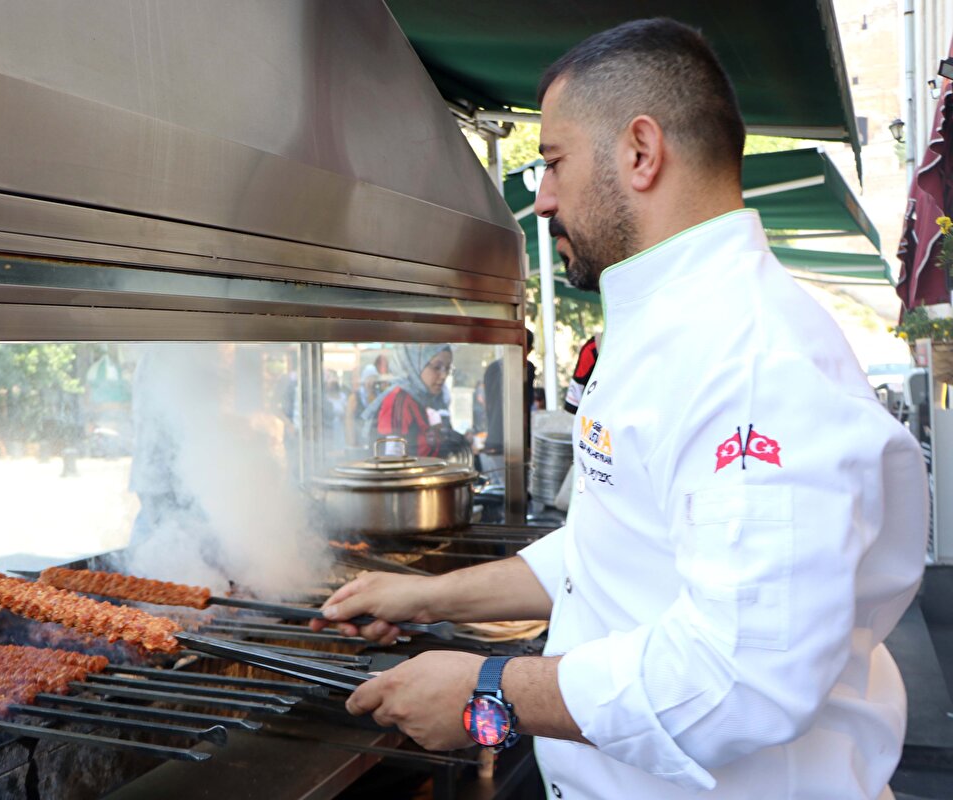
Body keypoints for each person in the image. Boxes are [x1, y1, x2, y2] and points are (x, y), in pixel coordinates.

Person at [314, 18, 927, 800]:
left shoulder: (749, 361)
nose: (541, 199)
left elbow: (740, 678)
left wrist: (489, 691)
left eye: (554, 163)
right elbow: (619, 549)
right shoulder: (670, 326)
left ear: (641, 152)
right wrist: (429, 596)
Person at [361, 344, 454, 457]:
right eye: (437, 367)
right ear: (415, 364)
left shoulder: (421, 399)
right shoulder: (399, 401)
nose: (444, 375)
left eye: (447, 368)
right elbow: (392, 462)